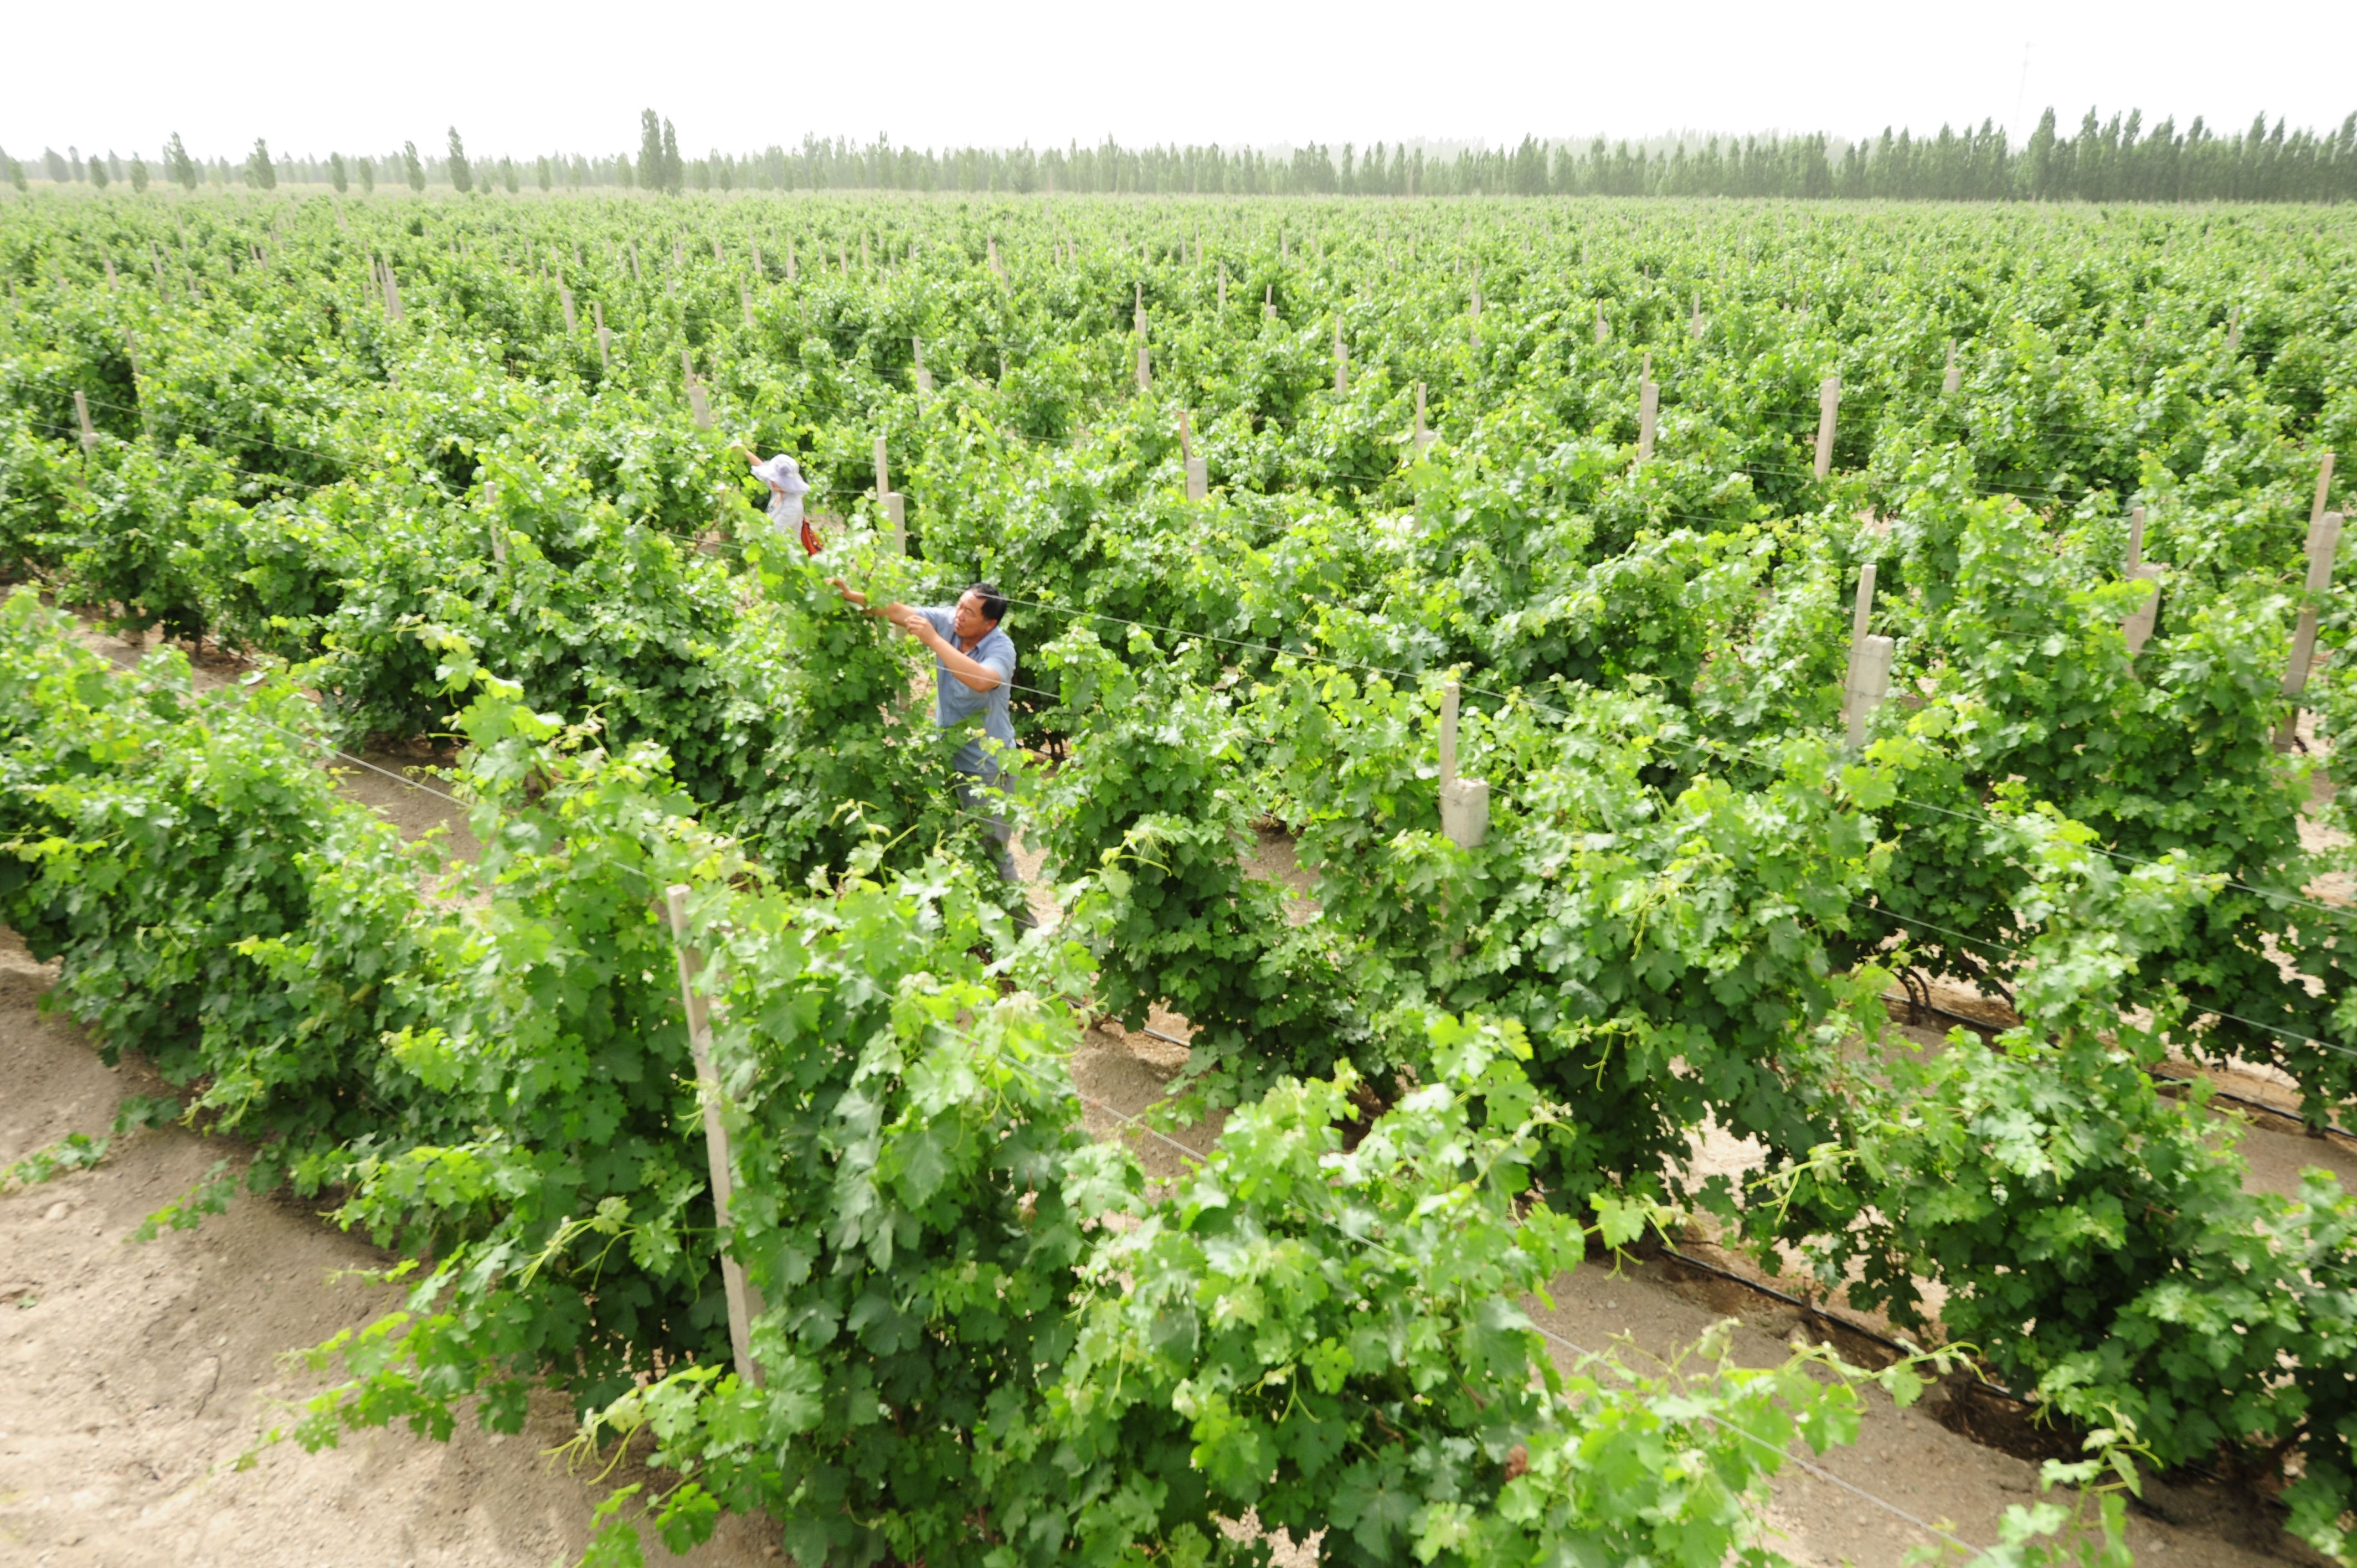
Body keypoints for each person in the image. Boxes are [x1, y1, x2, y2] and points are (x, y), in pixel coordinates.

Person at [832, 579, 1023, 889]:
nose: (959, 615)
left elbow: (984, 681)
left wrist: (935, 640)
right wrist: (850, 595)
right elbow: (897, 611)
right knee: (955, 846)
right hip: (949, 756)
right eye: (959, 605)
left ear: (989, 624)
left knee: (993, 853)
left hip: (989, 767)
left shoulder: (1001, 647)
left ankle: (1023, 930)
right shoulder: (950, 620)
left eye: (969, 612)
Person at [729, 440, 811, 551]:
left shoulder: (793, 506)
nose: (771, 480)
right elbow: (761, 467)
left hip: (783, 556)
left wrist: (747, 522)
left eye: (775, 478)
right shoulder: (779, 489)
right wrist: (745, 451)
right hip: (774, 550)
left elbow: (772, 533)